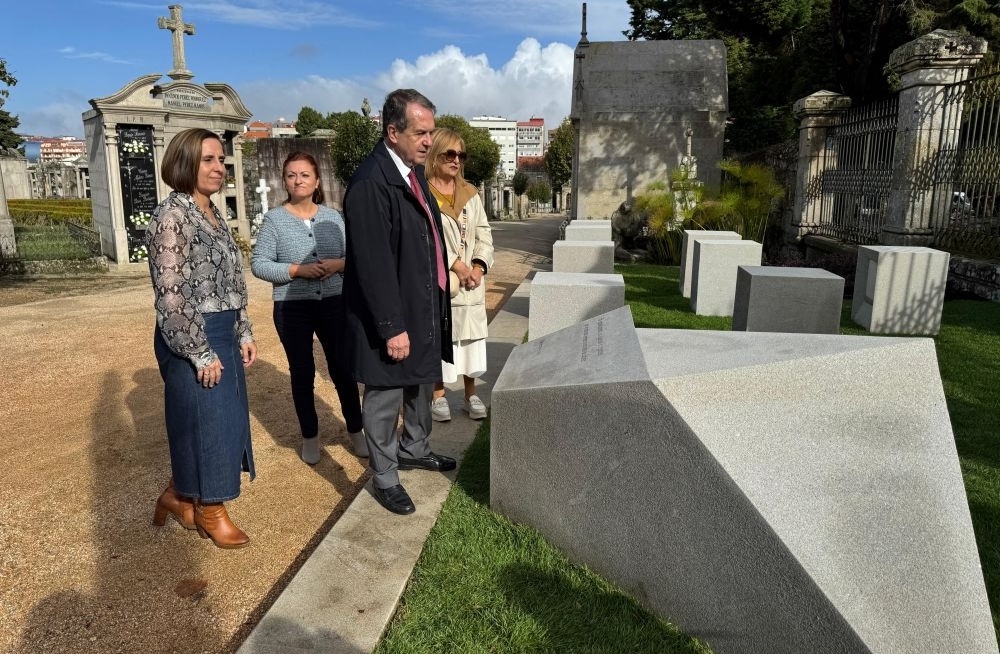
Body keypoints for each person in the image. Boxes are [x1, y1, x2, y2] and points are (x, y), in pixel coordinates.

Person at [342, 88, 456, 515]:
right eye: (420, 132)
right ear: (393, 132)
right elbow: (372, 264)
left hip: (420, 306)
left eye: (431, 132)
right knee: (386, 394)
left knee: (421, 386)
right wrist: (392, 326)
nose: (429, 141)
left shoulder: (412, 173)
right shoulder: (372, 183)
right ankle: (386, 475)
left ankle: (414, 448)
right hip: (394, 316)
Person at [145, 128, 257, 549]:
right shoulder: (171, 216)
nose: (218, 167)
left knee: (221, 421)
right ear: (185, 163)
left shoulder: (212, 212)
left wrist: (242, 329)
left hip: (223, 331)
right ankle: (211, 509)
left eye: (221, 159)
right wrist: (199, 350)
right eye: (208, 159)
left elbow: (232, 281)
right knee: (207, 425)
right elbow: (172, 294)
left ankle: (178, 495)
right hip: (192, 336)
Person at [250, 151, 365, 464]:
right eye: (291, 175)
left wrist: (339, 264)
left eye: (304, 174)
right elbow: (258, 264)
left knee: (343, 369)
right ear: (285, 181)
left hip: (334, 302)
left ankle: (356, 430)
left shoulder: (332, 218)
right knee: (302, 371)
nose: (298, 180)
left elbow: (355, 259)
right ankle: (310, 436)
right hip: (292, 307)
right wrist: (296, 271)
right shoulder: (274, 220)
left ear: (316, 181)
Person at [424, 128, 494, 422]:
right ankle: (438, 395)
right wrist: (457, 265)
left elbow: (483, 233)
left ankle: (470, 394)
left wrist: (477, 266)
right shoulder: (424, 193)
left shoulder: (470, 193)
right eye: (449, 154)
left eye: (460, 155)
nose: (456, 160)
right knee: (444, 336)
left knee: (472, 340)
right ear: (435, 155)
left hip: (472, 282)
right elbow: (426, 238)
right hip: (445, 280)